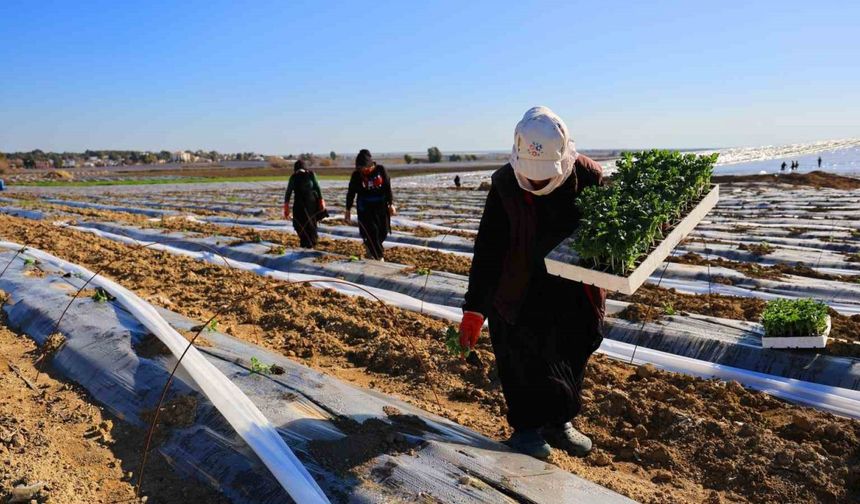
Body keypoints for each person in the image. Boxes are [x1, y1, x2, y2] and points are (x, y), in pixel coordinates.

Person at [459, 106, 606, 460]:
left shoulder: (588, 176)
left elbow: (606, 230)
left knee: (572, 349)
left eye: (544, 178)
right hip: (519, 284)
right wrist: (475, 307)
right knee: (521, 353)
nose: (538, 184)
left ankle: (559, 424)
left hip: (572, 285)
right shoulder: (506, 184)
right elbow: (489, 247)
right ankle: (525, 429)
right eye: (533, 178)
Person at [346, 149, 395, 260]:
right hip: (365, 208)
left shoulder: (381, 170)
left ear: (370, 165)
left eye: (364, 168)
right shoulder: (356, 175)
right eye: (359, 168)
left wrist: (391, 204)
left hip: (381, 206)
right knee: (371, 232)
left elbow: (387, 187)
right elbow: (351, 193)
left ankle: (370, 247)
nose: (362, 171)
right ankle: (379, 257)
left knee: (382, 232)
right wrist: (348, 209)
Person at [284, 159, 326, 248]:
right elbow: (288, 192)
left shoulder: (311, 175)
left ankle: (312, 242)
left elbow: (317, 188)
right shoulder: (294, 177)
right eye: (298, 170)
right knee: (299, 223)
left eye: (301, 170)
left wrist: (321, 200)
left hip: (311, 203)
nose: (300, 172)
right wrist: (286, 207)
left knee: (311, 223)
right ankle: (305, 242)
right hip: (299, 203)